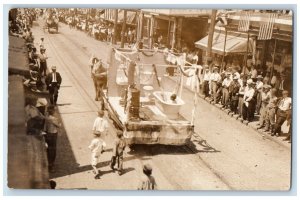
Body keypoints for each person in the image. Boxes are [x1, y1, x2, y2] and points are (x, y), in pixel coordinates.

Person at [44, 106, 61, 172]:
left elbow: (45, 127)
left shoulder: (46, 117)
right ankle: (51, 166)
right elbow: (58, 126)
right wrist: (60, 123)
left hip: (47, 134)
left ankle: (48, 163)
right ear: (53, 111)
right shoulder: (54, 119)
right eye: (55, 110)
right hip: (53, 135)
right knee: (53, 150)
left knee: (48, 149)